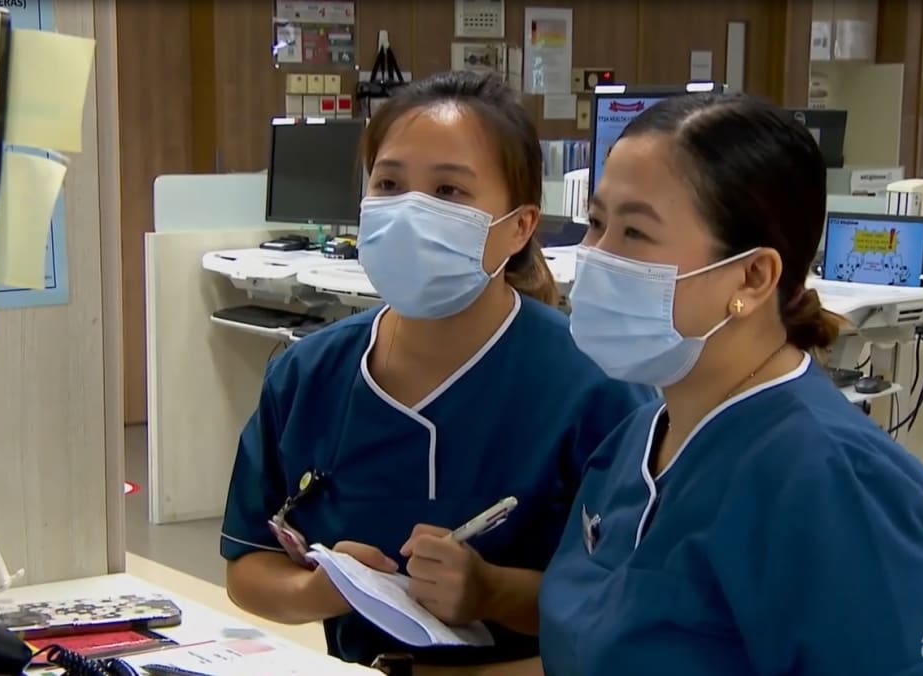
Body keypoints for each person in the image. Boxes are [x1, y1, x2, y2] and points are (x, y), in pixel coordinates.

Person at [218, 71, 655, 669]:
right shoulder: (307, 376)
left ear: (520, 227)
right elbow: (247, 566)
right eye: (390, 183)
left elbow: (631, 607)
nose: (409, 212)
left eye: (449, 192)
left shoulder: (595, 388)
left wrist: (491, 591)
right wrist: (324, 590)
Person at [530, 92, 923, 675]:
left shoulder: (836, 484)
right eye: (598, 223)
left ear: (754, 276)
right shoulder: (643, 437)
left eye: (634, 233)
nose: (595, 258)